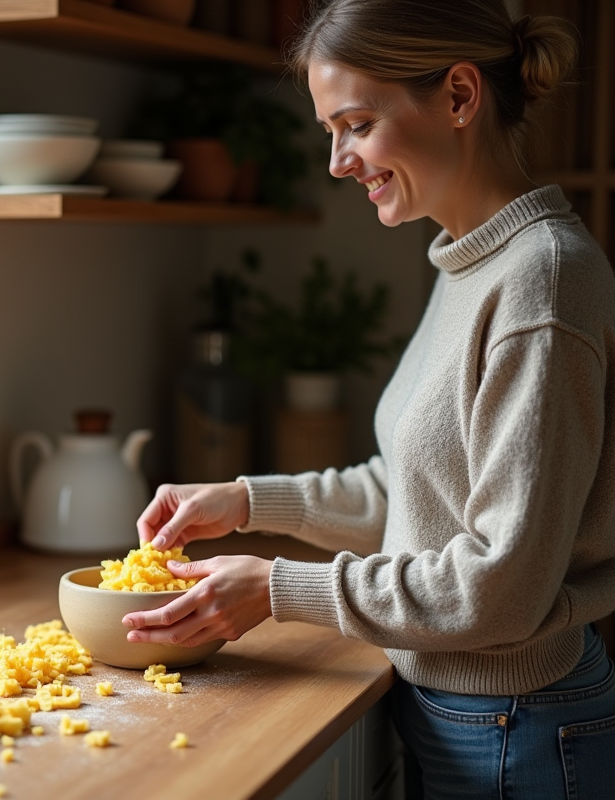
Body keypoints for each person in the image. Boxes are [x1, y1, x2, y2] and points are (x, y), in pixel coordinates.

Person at [121, 1, 615, 797]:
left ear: (459, 97)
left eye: (354, 123)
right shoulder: (472, 261)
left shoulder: (541, 283)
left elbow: (503, 585)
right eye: (329, 131)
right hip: (467, 712)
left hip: (515, 727)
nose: (337, 161)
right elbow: (418, 493)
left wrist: (277, 588)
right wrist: (246, 501)